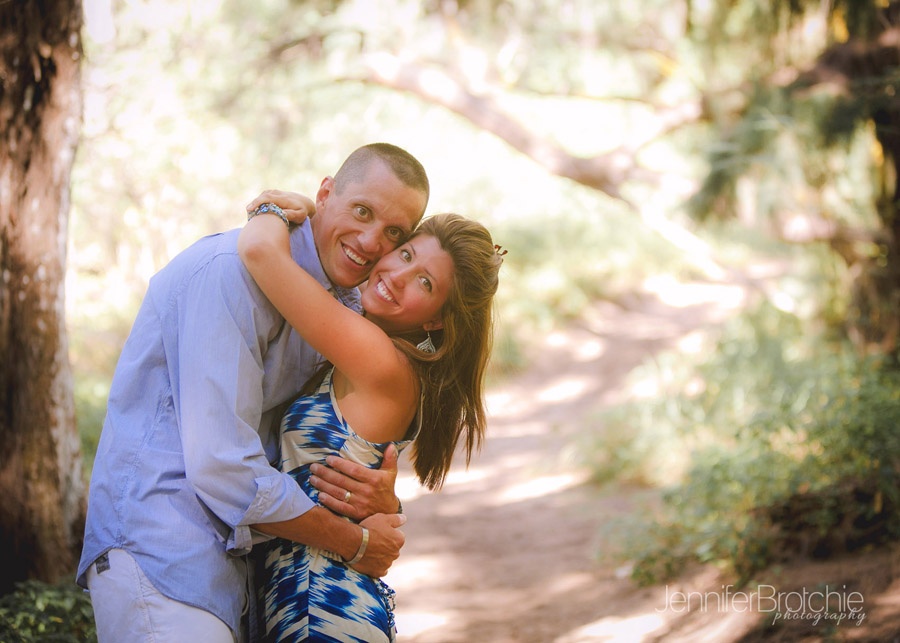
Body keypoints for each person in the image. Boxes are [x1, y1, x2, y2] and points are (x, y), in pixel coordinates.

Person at [77, 143, 429, 643]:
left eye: (394, 233)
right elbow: (223, 464)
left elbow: (344, 437)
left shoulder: (345, 305)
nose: (373, 242)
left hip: (248, 573)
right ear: (325, 193)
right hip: (163, 552)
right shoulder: (228, 272)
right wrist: (355, 541)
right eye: (362, 211)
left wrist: (382, 500)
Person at [237, 203, 502, 642]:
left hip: (321, 607)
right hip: (323, 601)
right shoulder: (383, 356)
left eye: (425, 282)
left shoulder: (380, 360)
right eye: (406, 255)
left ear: (436, 318)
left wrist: (282, 208)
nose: (398, 276)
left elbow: (261, 252)